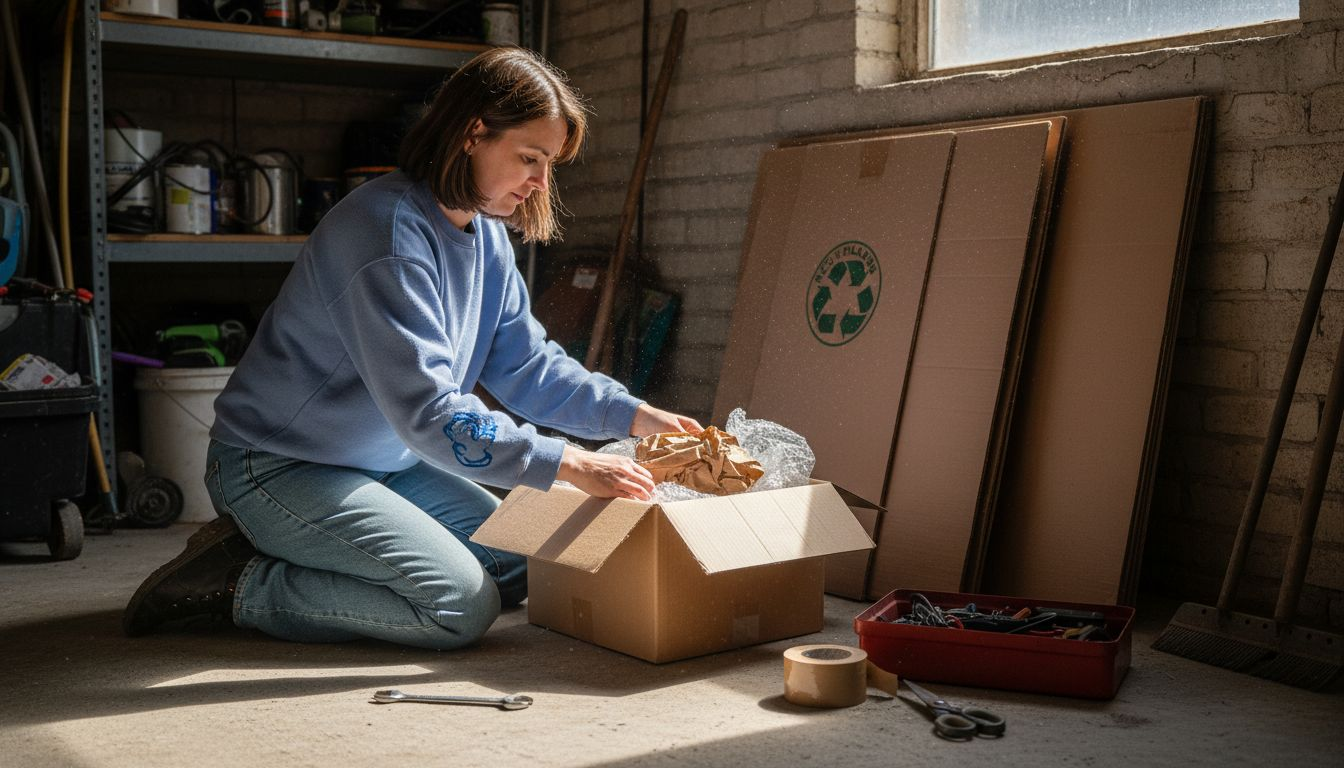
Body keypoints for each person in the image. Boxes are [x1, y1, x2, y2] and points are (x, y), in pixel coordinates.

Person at [123, 47, 702, 650]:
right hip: (278, 464)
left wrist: (637, 416)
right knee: (458, 605)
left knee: (521, 560)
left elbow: (528, 366)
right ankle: (236, 582)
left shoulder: (485, 236)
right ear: (473, 133)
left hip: (386, 460)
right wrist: (572, 464)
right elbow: (429, 414)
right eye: (530, 158)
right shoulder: (385, 235)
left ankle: (313, 550)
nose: (540, 183)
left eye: (549, 164)